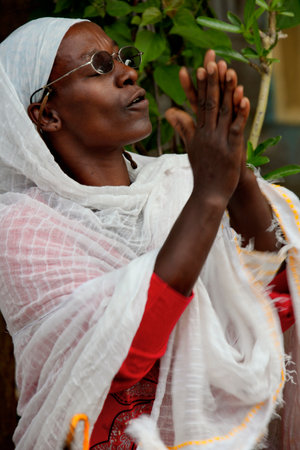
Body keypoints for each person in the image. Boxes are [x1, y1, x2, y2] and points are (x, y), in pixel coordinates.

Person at [0, 17, 299, 450]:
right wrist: (211, 197)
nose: (127, 72)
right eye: (99, 66)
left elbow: (273, 306)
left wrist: (238, 183)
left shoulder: (179, 184)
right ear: (48, 113)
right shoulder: (22, 230)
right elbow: (122, 355)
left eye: (123, 58)